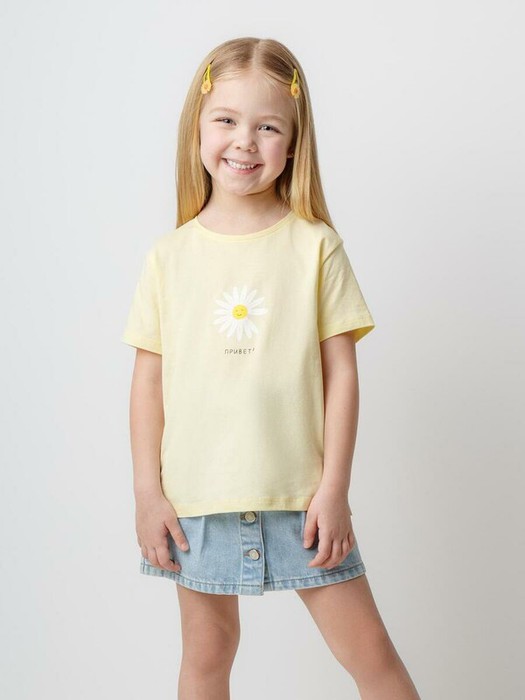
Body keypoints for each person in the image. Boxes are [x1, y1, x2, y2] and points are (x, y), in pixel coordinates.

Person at [122, 36, 420, 700]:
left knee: (369, 653)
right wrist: (147, 494)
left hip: (301, 500)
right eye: (226, 119)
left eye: (267, 127)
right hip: (196, 503)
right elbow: (148, 382)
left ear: (293, 141)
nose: (244, 142)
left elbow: (341, 376)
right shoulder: (168, 258)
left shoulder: (315, 248)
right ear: (197, 127)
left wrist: (333, 489)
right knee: (207, 654)